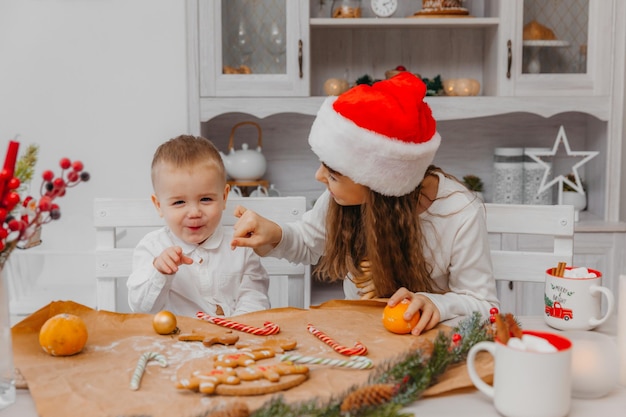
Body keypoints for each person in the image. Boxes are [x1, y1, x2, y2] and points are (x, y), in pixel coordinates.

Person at [231, 72, 499, 335]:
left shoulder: (459, 214)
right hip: (357, 335)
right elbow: (307, 241)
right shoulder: (344, 199)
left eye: (333, 174)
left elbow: (484, 305)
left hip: (428, 346)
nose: (319, 177)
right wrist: (274, 233)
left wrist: (437, 304)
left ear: (378, 185)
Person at [127, 135, 270, 317]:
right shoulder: (152, 248)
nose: (194, 212)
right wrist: (159, 272)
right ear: (159, 205)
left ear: (224, 197)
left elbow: (255, 299)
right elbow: (142, 309)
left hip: (235, 339)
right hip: (174, 341)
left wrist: (237, 329)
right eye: (179, 202)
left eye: (206, 199)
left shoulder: (241, 246)